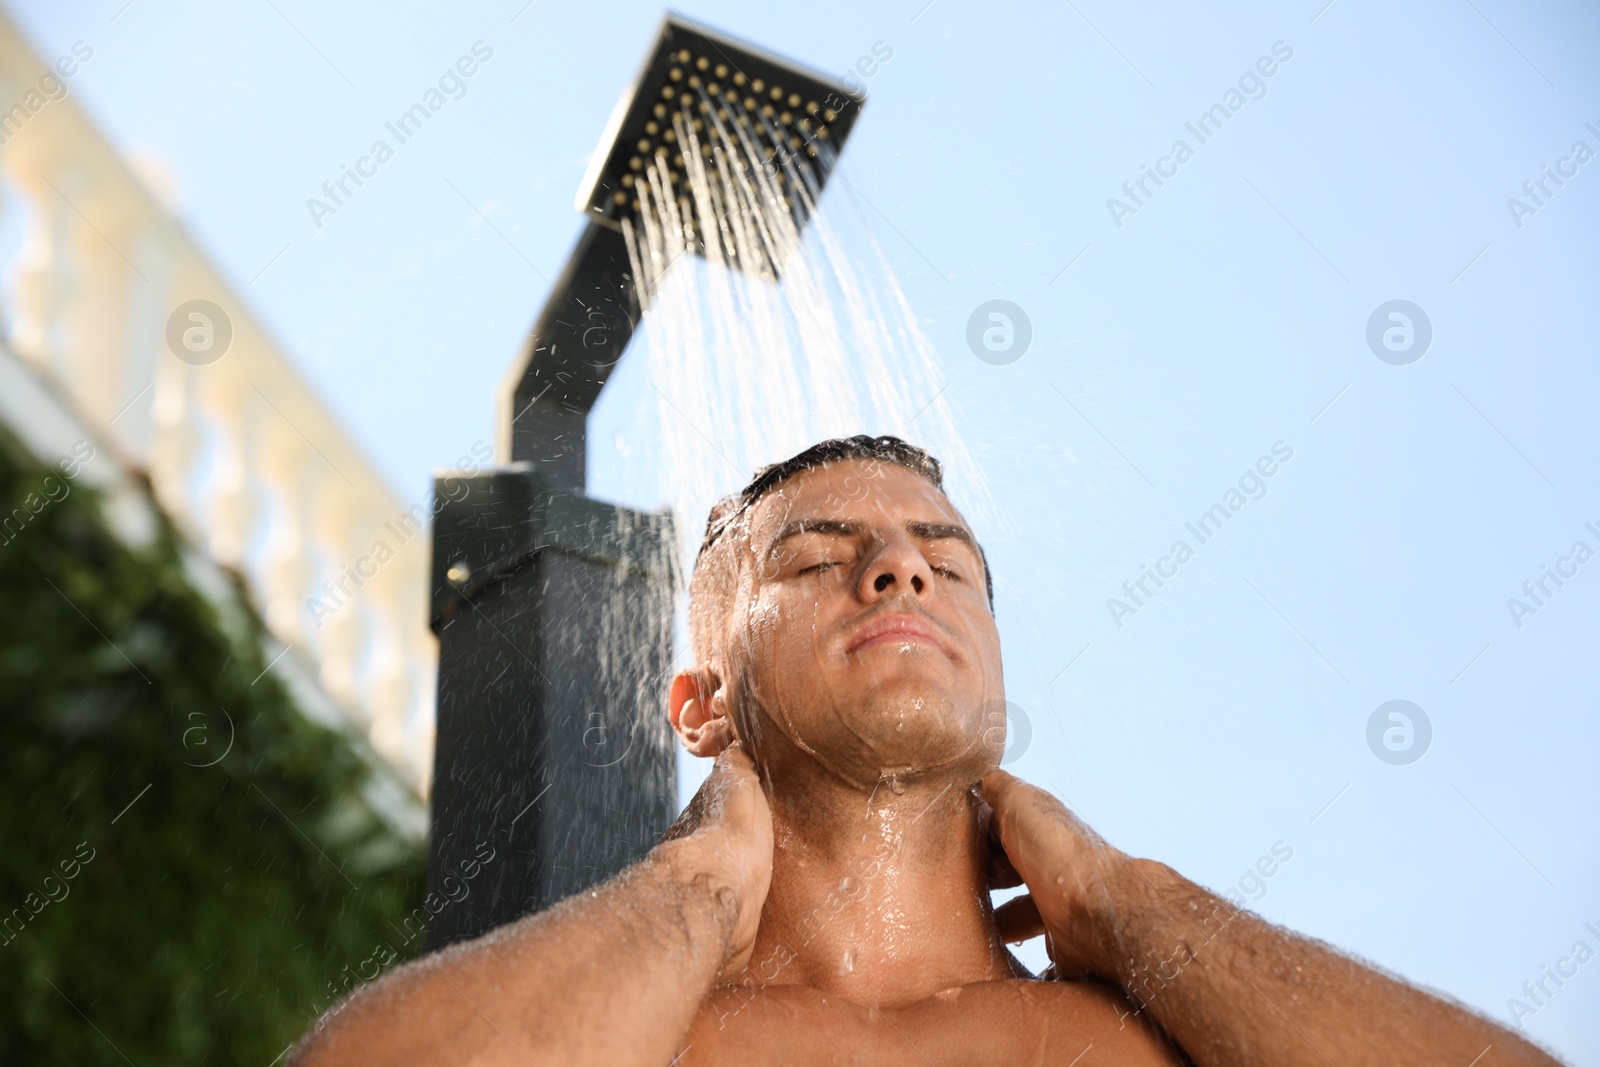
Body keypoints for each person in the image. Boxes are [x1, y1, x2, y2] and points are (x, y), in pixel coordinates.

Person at [294, 435, 1561, 1066]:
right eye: (815, 553)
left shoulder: (1150, 1029)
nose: (898, 564)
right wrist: (689, 892)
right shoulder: (636, 1025)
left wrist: (1130, 902)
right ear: (701, 704)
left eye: (945, 562)